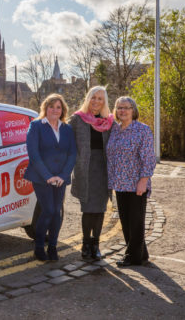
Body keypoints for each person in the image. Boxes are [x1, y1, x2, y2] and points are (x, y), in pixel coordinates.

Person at [25, 94, 76, 261]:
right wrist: (47, 176)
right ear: (45, 108)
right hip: (41, 178)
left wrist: (63, 175)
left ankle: (53, 247)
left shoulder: (67, 129)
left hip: (60, 178)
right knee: (48, 210)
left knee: (57, 213)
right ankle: (39, 247)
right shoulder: (36, 126)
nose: (55, 110)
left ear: (63, 110)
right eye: (51, 106)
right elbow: (34, 154)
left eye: (58, 107)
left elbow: (72, 154)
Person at [106, 96, 156, 267]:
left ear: (133, 110)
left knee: (136, 221)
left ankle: (132, 257)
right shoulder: (115, 130)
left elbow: (149, 159)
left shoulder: (142, 130)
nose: (122, 111)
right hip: (119, 183)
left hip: (136, 184)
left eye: (126, 108)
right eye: (119, 107)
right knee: (126, 221)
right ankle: (141, 254)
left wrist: (144, 180)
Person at [68, 86, 115, 261]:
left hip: (103, 170)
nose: (96, 101)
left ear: (104, 102)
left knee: (101, 209)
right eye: (93, 97)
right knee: (88, 209)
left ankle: (96, 244)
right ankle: (85, 243)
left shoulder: (110, 122)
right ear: (88, 98)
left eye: (100, 99)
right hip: (84, 169)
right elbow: (64, 142)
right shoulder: (77, 119)